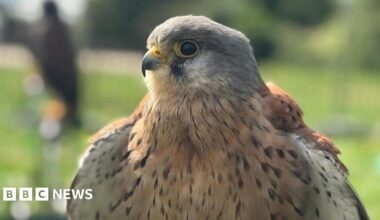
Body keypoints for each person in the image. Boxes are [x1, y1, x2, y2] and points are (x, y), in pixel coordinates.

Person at [29, 0, 80, 127]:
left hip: (56, 75)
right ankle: (61, 121)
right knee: (64, 103)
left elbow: (42, 55)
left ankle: (62, 121)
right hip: (66, 76)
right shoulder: (60, 28)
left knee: (61, 102)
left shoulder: (47, 30)